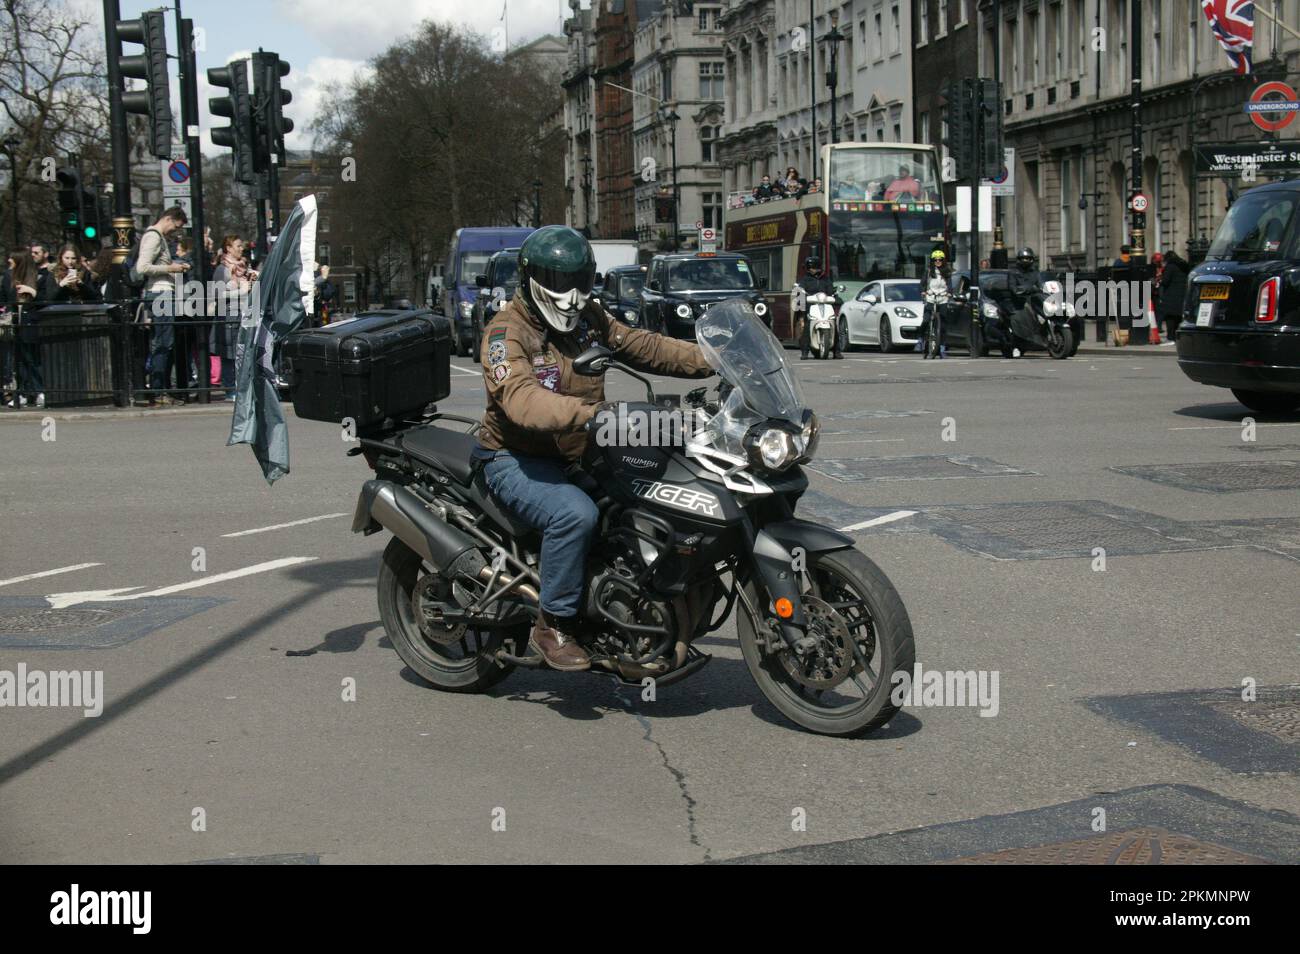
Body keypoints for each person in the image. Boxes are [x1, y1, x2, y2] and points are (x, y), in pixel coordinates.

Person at [474, 225, 712, 671]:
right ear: (530, 278)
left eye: (579, 282)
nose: (570, 294)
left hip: (579, 450)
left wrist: (713, 358)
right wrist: (591, 414)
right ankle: (551, 624)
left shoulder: (589, 320)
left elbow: (643, 345)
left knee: (656, 494)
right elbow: (523, 401)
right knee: (574, 514)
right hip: (514, 458)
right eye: (558, 282)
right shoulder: (506, 334)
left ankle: (636, 610)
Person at [135, 206, 191, 404]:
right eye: (175, 227)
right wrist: (171, 267)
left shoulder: (159, 238)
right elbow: (142, 267)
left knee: (165, 343)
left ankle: (161, 389)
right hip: (160, 294)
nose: (174, 233)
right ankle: (158, 391)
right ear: (168, 219)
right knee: (163, 344)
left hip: (162, 294)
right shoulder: (154, 237)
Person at [4, 248, 47, 407]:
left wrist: (31, 292)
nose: (9, 261)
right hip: (16, 324)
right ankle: (22, 392)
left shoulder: (39, 277)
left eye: (12, 258)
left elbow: (45, 300)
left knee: (33, 359)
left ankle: (39, 390)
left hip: (32, 323)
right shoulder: (9, 277)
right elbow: (4, 299)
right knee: (20, 360)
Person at [794, 256, 842, 360]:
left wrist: (835, 296)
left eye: (814, 267)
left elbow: (831, 291)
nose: (812, 269)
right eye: (810, 267)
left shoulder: (826, 279)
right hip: (811, 306)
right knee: (807, 326)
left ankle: (836, 351)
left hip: (825, 305)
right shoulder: (805, 280)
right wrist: (801, 299)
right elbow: (800, 291)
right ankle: (805, 352)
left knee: (833, 323)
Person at [1006, 247, 1043, 358]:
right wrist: (1025, 289)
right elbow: (1013, 288)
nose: (1026, 261)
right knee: (1018, 320)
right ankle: (1016, 346)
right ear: (1019, 260)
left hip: (1035, 301)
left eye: (1028, 258)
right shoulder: (1013, 272)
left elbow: (1041, 284)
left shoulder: (1035, 272)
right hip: (1019, 302)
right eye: (1023, 258)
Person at [917, 248, 952, 356]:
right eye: (935, 260)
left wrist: (949, 292)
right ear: (932, 261)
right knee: (926, 320)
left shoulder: (947, 272)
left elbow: (950, 285)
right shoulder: (928, 271)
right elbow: (922, 283)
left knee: (943, 324)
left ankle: (942, 347)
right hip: (930, 297)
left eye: (940, 260)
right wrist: (923, 292)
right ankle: (920, 339)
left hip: (942, 298)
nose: (938, 261)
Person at [1156, 250, 1189, 343]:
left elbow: (1166, 281)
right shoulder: (1183, 266)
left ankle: (1171, 337)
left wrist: (1160, 280)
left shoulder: (1170, 266)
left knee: (1170, 317)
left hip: (1171, 294)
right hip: (1182, 294)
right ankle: (1177, 337)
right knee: (1178, 317)